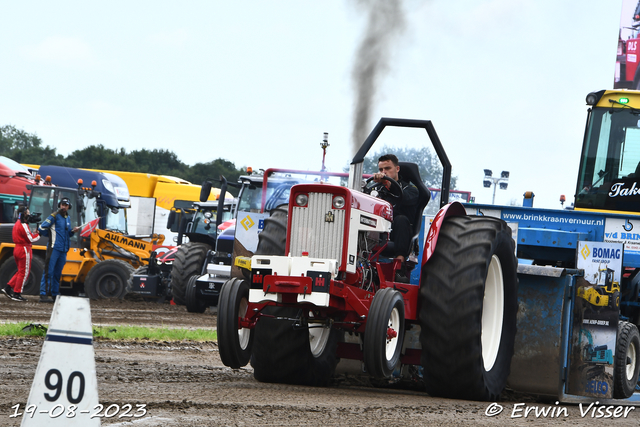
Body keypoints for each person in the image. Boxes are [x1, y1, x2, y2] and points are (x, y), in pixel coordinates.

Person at [373, 154, 419, 283]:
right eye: (381, 170)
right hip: (379, 229)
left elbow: (406, 199)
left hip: (400, 232)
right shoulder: (377, 189)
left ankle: (399, 267)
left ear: (397, 169)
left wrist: (389, 184)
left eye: (387, 168)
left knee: (400, 219)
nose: (384, 172)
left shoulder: (410, 189)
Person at [38, 198, 79, 303]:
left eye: (65, 205)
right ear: (60, 205)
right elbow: (42, 228)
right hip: (54, 248)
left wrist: (73, 231)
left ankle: (55, 294)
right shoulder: (54, 216)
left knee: (57, 273)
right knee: (48, 271)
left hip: (63, 250)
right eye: (62, 204)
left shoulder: (68, 218)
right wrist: (51, 236)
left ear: (68, 207)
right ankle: (43, 294)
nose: (63, 207)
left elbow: (67, 234)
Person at [1, 206, 40, 302]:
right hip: (24, 249)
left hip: (18, 248)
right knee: (24, 272)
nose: (29, 214)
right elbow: (31, 239)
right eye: (28, 212)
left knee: (20, 271)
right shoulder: (23, 225)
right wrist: (38, 235)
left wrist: (32, 233)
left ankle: (8, 288)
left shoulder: (17, 223)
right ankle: (17, 293)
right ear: (24, 213)